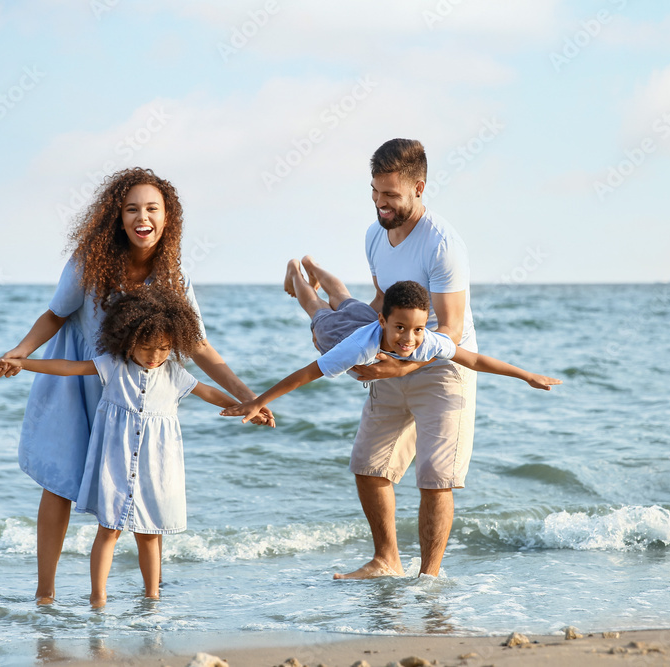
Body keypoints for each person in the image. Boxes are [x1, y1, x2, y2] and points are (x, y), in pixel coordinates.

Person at [0, 167, 272, 604]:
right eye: (132, 208)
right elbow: (55, 315)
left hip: (135, 393)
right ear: (117, 217)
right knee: (60, 483)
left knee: (136, 492)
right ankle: (45, 595)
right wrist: (20, 353)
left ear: (167, 217)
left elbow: (197, 346)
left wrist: (249, 398)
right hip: (82, 378)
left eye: (152, 208)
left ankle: (148, 594)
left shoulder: (174, 276)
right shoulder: (90, 262)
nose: (143, 217)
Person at [0, 287, 236, 607]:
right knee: (108, 530)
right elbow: (68, 368)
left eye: (164, 348)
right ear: (128, 339)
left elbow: (208, 392)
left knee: (150, 533)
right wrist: (24, 363)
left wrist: (247, 406)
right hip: (115, 464)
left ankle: (152, 598)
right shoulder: (114, 366)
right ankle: (98, 598)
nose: (155, 356)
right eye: (146, 347)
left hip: (155, 469)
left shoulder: (174, 373)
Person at [340, 138, 480, 579]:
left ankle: (429, 577)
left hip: (443, 370)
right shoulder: (374, 236)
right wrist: (353, 346)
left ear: (419, 188)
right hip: (393, 359)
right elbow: (383, 300)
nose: (381, 204)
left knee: (435, 477)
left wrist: (402, 364)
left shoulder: (443, 245)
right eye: (376, 193)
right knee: (368, 464)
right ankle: (387, 560)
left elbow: (451, 330)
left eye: (392, 196)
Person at [221, 280, 560, 424]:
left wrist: (526, 375)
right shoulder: (357, 348)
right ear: (384, 321)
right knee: (317, 307)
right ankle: (296, 272)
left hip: (363, 318)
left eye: (416, 329)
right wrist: (258, 401)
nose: (408, 340)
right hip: (337, 334)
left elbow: (472, 359)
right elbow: (305, 375)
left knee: (342, 295)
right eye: (400, 329)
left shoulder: (426, 338)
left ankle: (312, 265)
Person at [283, 254, 380, 355]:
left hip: (369, 320)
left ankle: (312, 266)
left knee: (341, 296)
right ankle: (294, 273)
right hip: (340, 336)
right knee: (314, 305)